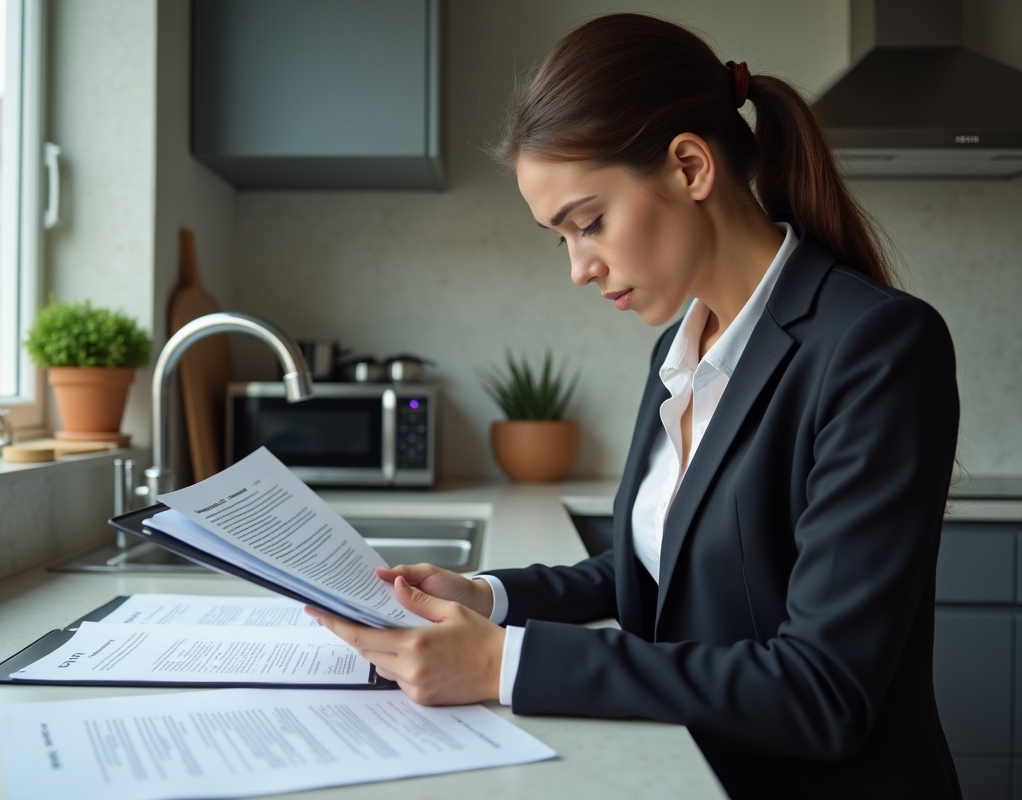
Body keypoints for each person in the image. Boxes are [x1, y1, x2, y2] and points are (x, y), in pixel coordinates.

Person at [304, 13, 961, 800]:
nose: (580, 268)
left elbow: (822, 689)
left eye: (589, 223)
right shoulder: (679, 347)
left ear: (689, 166)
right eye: (562, 238)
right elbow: (656, 565)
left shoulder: (876, 348)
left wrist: (502, 662)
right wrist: (487, 596)